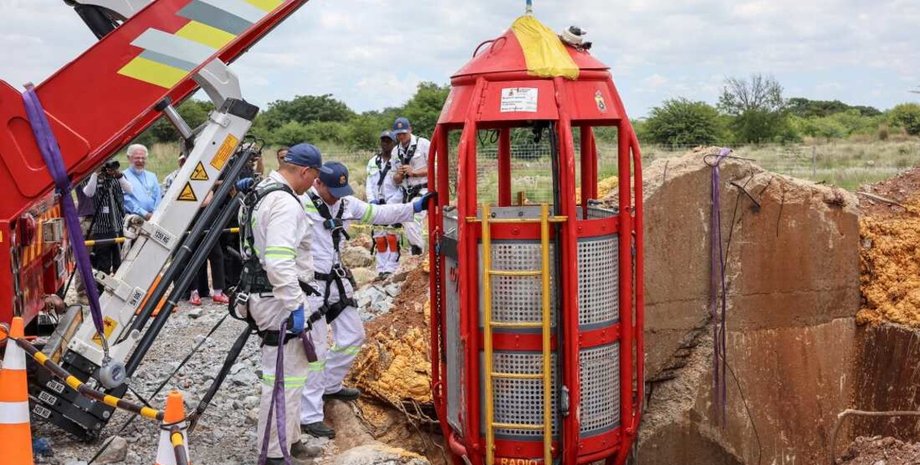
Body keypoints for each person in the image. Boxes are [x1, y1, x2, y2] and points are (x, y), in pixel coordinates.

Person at [299, 161, 436, 438]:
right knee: (316, 352)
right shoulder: (300, 203)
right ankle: (309, 415)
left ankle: (330, 384)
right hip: (310, 285)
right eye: (333, 190)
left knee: (353, 336)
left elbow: (379, 213)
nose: (338, 196)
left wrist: (416, 207)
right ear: (318, 183)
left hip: (335, 281)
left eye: (342, 189)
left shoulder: (346, 203)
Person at [237, 143, 324, 465]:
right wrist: (296, 304)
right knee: (282, 378)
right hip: (279, 300)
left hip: (265, 295)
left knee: (293, 375)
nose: (312, 185)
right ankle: (274, 452)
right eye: (313, 178)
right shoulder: (286, 204)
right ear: (305, 171)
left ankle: (291, 437)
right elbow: (278, 261)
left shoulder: (262, 192)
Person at [83, 160, 131, 286]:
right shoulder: (93, 177)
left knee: (120, 263)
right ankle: (101, 291)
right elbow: (89, 192)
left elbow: (130, 190)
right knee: (103, 265)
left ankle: (120, 287)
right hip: (102, 228)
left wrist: (118, 175)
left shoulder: (117, 177)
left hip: (118, 225)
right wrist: (95, 173)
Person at [365, 131, 402, 278]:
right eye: (383, 141)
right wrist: (372, 200)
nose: (385, 144)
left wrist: (391, 203)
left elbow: (402, 187)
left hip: (392, 204)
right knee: (379, 237)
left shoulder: (398, 161)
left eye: (389, 141)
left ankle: (391, 268)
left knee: (392, 237)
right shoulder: (373, 161)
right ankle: (381, 269)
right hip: (376, 205)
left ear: (394, 143)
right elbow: (369, 183)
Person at [391, 117, 430, 255]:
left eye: (404, 133)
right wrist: (399, 174)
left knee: (411, 219)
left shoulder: (424, 144)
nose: (401, 136)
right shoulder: (395, 151)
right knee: (391, 215)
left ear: (410, 130)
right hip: (405, 192)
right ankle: (415, 252)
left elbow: (437, 168)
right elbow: (395, 180)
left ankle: (418, 252)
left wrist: (414, 172)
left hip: (423, 190)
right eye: (398, 134)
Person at [122, 144, 162, 219]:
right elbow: (126, 200)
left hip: (155, 218)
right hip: (134, 219)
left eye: (143, 158)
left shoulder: (152, 176)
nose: (140, 161)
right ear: (129, 158)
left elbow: (158, 196)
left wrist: (156, 213)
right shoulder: (123, 177)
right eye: (137, 158)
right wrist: (145, 214)